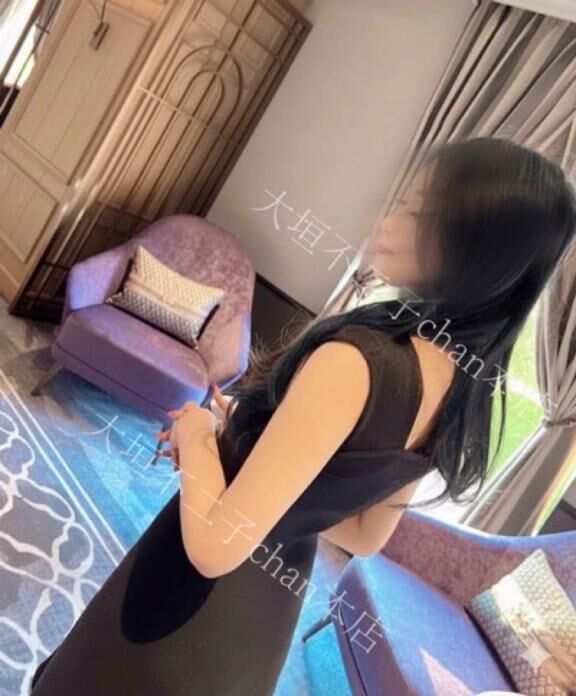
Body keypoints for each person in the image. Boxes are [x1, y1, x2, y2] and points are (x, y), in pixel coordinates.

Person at [30, 137, 576, 695]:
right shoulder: (459, 389)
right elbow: (365, 533)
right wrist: (255, 454)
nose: (387, 219)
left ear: (473, 250)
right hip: (261, 620)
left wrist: (198, 436)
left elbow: (215, 546)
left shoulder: (358, 362)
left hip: (190, 607)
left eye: (416, 211)